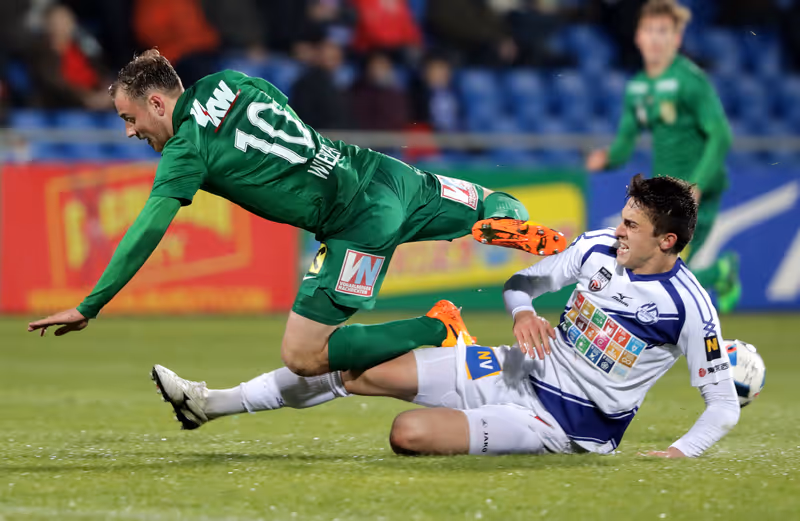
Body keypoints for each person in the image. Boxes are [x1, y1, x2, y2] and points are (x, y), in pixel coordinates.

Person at [27, 49, 565, 380]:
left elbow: (148, 228)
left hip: (357, 226)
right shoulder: (230, 80)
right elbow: (282, 114)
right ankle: (508, 223)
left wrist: (90, 304)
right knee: (490, 203)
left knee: (303, 355)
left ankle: (438, 327)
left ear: (158, 104)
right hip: (385, 173)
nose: (129, 131)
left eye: (129, 117)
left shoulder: (185, 149)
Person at [151, 174, 740, 458]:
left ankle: (448, 341)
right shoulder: (595, 250)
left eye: (632, 225)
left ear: (667, 241)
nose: (618, 230)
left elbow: (722, 404)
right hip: (514, 368)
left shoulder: (689, 307)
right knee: (358, 371)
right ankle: (211, 403)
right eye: (622, 218)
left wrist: (679, 454)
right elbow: (521, 282)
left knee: (407, 434)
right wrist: (523, 313)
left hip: (563, 427)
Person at [585, 0, 740, 313]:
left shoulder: (690, 81)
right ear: (638, 37)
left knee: (664, 272)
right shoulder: (638, 87)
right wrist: (607, 158)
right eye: (650, 31)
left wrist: (697, 184)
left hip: (698, 191)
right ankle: (720, 272)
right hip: (664, 192)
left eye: (663, 31)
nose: (655, 38)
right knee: (656, 272)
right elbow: (626, 141)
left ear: (676, 39)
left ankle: (719, 273)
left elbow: (721, 135)